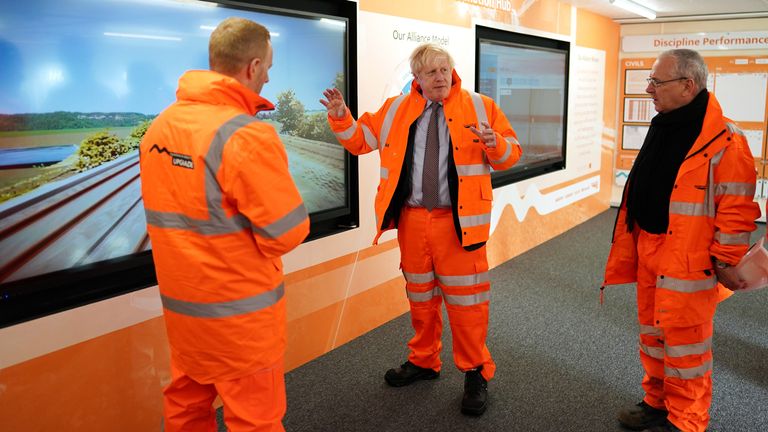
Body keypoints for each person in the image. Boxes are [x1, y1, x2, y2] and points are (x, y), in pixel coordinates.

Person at [320, 43, 522, 416]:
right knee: (420, 297)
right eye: (432, 72)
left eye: (445, 69)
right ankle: (424, 360)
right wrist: (341, 117)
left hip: (460, 224)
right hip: (413, 221)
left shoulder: (481, 106)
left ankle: (476, 371)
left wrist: (497, 146)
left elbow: (513, 154)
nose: (441, 77)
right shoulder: (396, 108)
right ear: (417, 78)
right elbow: (360, 141)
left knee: (468, 305)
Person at [139, 17, 309, 432]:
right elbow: (287, 231)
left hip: (185, 313)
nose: (269, 76)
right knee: (255, 420)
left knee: (185, 405)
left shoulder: (161, 126)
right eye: (268, 66)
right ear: (252, 67)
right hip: (241, 320)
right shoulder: (246, 136)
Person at [603, 49, 760, 432]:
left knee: (686, 345)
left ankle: (687, 420)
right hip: (649, 249)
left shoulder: (727, 141)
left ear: (688, 85)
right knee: (653, 334)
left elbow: (736, 209)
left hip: (690, 261)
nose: (648, 89)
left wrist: (724, 261)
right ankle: (657, 402)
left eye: (657, 81)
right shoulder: (664, 123)